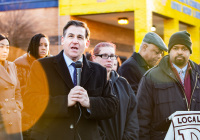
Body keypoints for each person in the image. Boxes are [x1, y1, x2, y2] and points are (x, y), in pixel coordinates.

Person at [23, 20, 118, 140]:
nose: (75, 41)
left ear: (87, 43)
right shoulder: (41, 66)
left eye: (80, 37)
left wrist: (89, 102)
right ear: (63, 40)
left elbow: (112, 105)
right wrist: (65, 101)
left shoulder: (99, 71)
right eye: (71, 36)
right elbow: (30, 103)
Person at [137, 31, 200, 140]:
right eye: (175, 48)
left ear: (190, 52)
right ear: (169, 51)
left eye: (184, 49)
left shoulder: (198, 75)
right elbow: (141, 117)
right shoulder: (151, 77)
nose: (180, 52)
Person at [91, 42, 139, 140]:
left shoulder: (123, 83)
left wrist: (128, 138)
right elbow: (89, 122)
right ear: (94, 58)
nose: (109, 60)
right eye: (104, 56)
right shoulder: (88, 84)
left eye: (112, 56)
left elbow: (132, 115)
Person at [0, 34, 23, 140]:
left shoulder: (12, 65)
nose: (5, 50)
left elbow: (17, 90)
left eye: (7, 47)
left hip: (14, 118)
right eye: (1, 47)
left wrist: (18, 106)